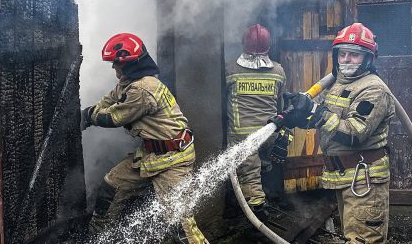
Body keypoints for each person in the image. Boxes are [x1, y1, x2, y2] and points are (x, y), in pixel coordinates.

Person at [274, 23, 395, 243]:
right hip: (345, 177)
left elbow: (355, 132)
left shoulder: (373, 89)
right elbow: (320, 116)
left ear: (368, 59)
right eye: (343, 54)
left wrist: (316, 112)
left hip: (364, 178)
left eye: (355, 55)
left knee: (363, 240)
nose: (347, 60)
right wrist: (297, 115)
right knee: (352, 236)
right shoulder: (336, 84)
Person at [81, 33, 207, 243]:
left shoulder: (144, 89)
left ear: (129, 64)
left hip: (173, 160)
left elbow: (114, 117)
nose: (114, 68)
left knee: (180, 228)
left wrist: (88, 116)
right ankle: (100, 238)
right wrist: (87, 113)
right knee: (110, 189)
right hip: (151, 156)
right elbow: (108, 101)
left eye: (116, 64)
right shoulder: (128, 82)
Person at [224, 24, 286, 216]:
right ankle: (261, 200)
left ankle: (258, 215)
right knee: (263, 166)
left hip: (242, 135)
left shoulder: (230, 70)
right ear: (269, 46)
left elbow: (220, 98)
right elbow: (281, 105)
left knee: (249, 175)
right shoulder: (278, 72)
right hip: (269, 134)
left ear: (243, 44)